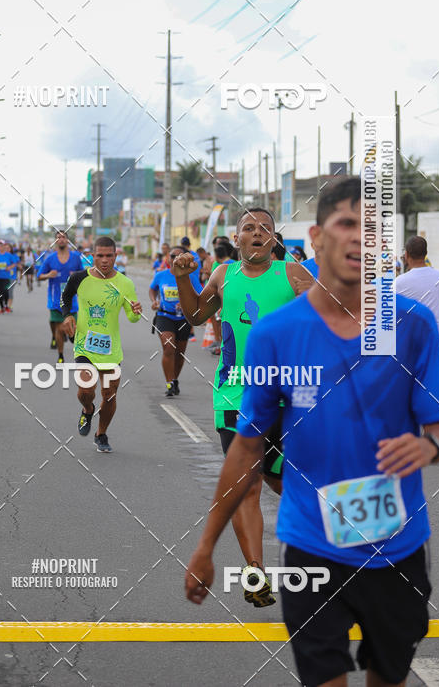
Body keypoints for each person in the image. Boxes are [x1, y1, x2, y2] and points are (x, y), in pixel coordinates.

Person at [185, 177, 439, 687]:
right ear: (318, 236)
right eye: (346, 225)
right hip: (310, 549)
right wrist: (204, 547)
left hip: (396, 548)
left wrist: (428, 444)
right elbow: (246, 449)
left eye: (371, 230)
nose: (359, 239)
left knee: (388, 678)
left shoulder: (412, 325)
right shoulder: (276, 333)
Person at [174, 207, 313, 607]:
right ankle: (256, 573)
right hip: (234, 395)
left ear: (274, 239)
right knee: (245, 486)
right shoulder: (222, 275)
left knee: (285, 483)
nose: (256, 233)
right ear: (236, 239)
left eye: (264, 229)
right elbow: (197, 316)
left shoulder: (293, 275)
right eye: (248, 228)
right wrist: (184, 278)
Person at [60, 237, 142, 453]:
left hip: (111, 350)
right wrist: (67, 316)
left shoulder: (125, 283)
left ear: (116, 256)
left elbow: (132, 318)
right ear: (92, 256)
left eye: (109, 256)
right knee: (86, 391)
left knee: (110, 394)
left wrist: (136, 312)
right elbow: (65, 297)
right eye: (100, 256)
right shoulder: (79, 278)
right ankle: (87, 409)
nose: (104, 260)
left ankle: (101, 433)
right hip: (84, 345)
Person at [150, 246, 202, 397]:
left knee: (180, 353)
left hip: (184, 318)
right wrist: (154, 301)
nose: (176, 260)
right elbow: (152, 289)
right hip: (164, 316)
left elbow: (200, 294)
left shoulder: (190, 276)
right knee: (168, 348)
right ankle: (169, 383)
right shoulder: (161, 275)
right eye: (173, 256)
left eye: (180, 256)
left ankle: (175, 379)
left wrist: (188, 303)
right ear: (168, 258)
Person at [38, 231, 83, 364]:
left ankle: (69, 335)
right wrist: (48, 275)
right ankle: (61, 355)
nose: (61, 239)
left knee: (73, 330)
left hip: (72, 301)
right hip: (55, 300)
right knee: (58, 328)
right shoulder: (50, 259)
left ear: (68, 241)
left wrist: (76, 274)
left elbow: (84, 274)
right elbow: (39, 276)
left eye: (63, 237)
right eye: (58, 237)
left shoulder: (75, 257)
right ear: (55, 241)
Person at [396, 236, 439, 341]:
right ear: (426, 253)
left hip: (410, 339)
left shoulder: (399, 282)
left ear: (406, 254)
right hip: (433, 337)